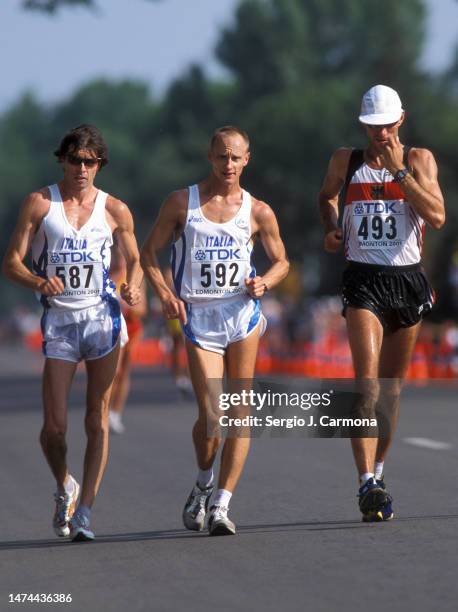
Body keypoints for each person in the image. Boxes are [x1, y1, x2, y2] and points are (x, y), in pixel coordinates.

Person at [141, 125, 289, 535]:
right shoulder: (181, 203)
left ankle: (221, 504)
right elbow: (148, 252)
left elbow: (282, 261)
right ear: (210, 157)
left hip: (241, 315)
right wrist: (165, 294)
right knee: (211, 418)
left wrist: (267, 282)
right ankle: (203, 482)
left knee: (240, 412)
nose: (228, 164)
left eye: (235, 157)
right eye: (221, 156)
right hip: (199, 318)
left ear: (247, 160)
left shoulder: (258, 211)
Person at [2, 124, 142, 541]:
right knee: (54, 429)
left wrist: (133, 284)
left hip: (102, 319)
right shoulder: (40, 203)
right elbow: (11, 262)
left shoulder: (115, 209)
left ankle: (85, 512)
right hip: (60, 322)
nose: (82, 168)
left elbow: (134, 258)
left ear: (100, 165)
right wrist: (37, 282)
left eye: (91, 161)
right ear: (63, 160)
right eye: (76, 160)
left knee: (97, 421)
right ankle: (65, 483)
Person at [318, 85, 445, 521]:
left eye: (388, 125)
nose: (381, 133)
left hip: (406, 282)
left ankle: (379, 470)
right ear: (363, 125)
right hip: (363, 281)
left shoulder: (417, 160)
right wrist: (333, 226)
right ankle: (365, 483)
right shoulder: (346, 161)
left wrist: (398, 174)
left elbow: (438, 216)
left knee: (391, 391)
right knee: (367, 385)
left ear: (401, 120)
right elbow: (326, 197)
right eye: (373, 126)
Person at [109, 245, 148, 434]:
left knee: (124, 371)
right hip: (111, 326)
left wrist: (128, 304)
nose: (120, 260)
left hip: (132, 327)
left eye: (123, 256)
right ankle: (105, 409)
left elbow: (142, 310)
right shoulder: (104, 275)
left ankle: (116, 413)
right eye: (117, 255)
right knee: (113, 371)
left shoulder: (136, 276)